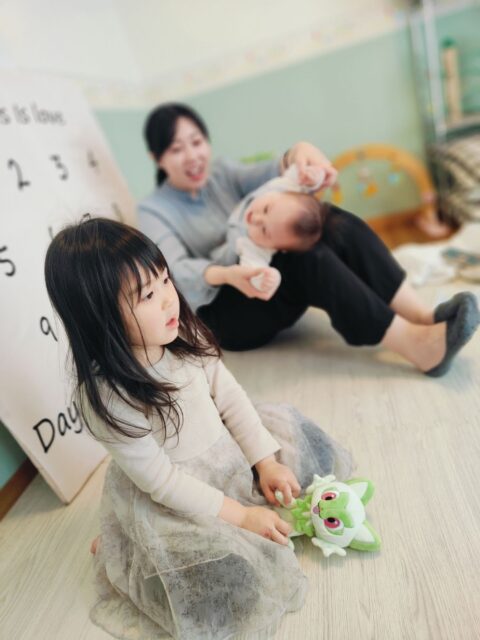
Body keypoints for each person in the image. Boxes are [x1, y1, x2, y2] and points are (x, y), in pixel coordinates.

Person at [44, 217, 352, 639]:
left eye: (165, 280)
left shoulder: (179, 331)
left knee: (308, 449)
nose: (169, 301)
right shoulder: (107, 396)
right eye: (147, 295)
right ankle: (123, 547)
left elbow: (230, 397)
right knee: (222, 585)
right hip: (175, 496)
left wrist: (265, 462)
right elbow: (163, 483)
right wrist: (242, 516)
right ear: (99, 317)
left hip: (225, 452)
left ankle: (144, 541)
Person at [139, 103, 479, 377]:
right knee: (304, 257)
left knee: (324, 219)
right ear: (157, 158)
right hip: (222, 312)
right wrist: (229, 274)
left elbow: (276, 171)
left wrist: (299, 153)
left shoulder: (223, 174)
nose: (193, 156)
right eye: (177, 149)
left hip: (263, 277)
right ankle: (416, 346)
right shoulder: (153, 210)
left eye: (197, 142)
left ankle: (419, 315)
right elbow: (174, 275)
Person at [211, 164, 327, 298]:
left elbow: (253, 268)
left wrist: (265, 278)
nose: (256, 218)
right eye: (266, 209)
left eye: (264, 230)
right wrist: (314, 176)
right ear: (283, 192)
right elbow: (301, 176)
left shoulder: (255, 247)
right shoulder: (282, 187)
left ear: (276, 247)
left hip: (219, 257)